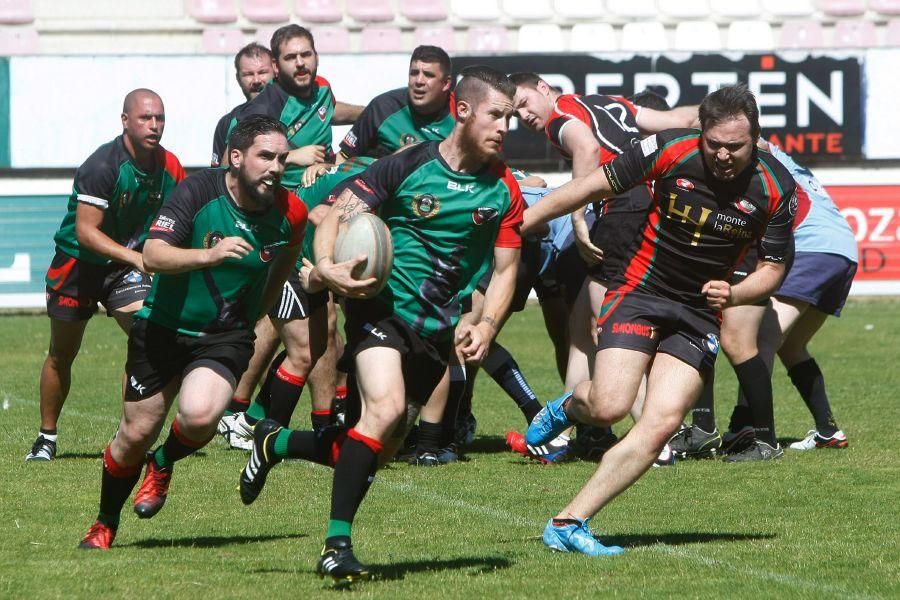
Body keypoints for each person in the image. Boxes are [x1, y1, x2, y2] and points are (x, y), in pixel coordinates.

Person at [238, 66, 524, 583]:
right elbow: (335, 217)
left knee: (374, 447)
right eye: (496, 115)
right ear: (462, 111)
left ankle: (273, 443)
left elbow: (506, 270)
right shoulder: (408, 165)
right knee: (386, 410)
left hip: (434, 328)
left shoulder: (504, 189)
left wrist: (486, 327)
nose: (506, 127)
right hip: (380, 310)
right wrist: (325, 266)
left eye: (510, 117)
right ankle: (336, 546)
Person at [522, 84, 796, 556]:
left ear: (755, 139)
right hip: (641, 291)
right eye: (716, 145)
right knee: (608, 407)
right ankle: (569, 407)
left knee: (662, 422)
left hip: (698, 311)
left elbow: (773, 269)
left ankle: (569, 522)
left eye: (737, 146)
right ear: (701, 133)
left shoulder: (775, 187)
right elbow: (589, 186)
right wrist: (518, 224)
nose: (725, 155)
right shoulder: (670, 148)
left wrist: (736, 291)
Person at [77, 115, 308, 549]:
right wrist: (210, 256)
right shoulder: (198, 191)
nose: (276, 167)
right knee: (134, 436)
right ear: (236, 158)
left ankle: (162, 464)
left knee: (201, 416)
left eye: (282, 158)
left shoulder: (291, 212)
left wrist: (256, 312)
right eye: (265, 156)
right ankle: (105, 521)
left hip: (225, 335)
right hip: (162, 326)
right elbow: (153, 255)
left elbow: (285, 261)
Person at [509, 73, 699, 459]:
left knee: (606, 323)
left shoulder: (560, 116)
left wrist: (579, 218)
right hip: (650, 205)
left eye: (525, 102)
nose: (523, 114)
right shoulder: (608, 103)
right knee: (581, 326)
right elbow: (677, 118)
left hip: (623, 208)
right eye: (515, 112)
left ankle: (654, 438)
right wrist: (717, 112)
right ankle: (563, 431)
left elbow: (588, 151)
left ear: (544, 88)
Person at [26, 89, 185, 462]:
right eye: (146, 118)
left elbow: (183, 215)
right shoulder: (102, 166)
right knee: (61, 355)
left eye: (160, 118)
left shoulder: (171, 166)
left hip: (122, 268)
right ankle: (46, 438)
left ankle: (127, 436)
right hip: (78, 265)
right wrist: (137, 256)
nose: (155, 125)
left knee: (150, 336)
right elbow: (86, 232)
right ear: (125, 121)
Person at [672, 140, 856, 457]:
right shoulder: (786, 160)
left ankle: (744, 426)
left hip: (812, 246)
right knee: (792, 345)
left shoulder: (762, 159)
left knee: (761, 338)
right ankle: (828, 432)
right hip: (842, 251)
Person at [230, 25, 363, 191]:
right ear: (276, 66)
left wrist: (372, 111)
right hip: (289, 193)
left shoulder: (322, 88)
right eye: (291, 57)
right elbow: (231, 166)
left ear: (317, 57)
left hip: (328, 173)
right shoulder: (263, 109)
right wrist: (291, 156)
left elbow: (330, 111)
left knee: (377, 165)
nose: (300, 63)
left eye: (306, 55)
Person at [337, 45, 454, 161]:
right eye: (414, 73)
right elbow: (343, 158)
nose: (419, 81)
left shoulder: (462, 117)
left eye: (428, 75)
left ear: (446, 83)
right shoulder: (382, 107)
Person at [211, 43, 275, 167]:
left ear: (275, 72)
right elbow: (216, 176)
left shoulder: (294, 111)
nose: (256, 80)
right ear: (238, 78)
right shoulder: (227, 122)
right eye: (248, 74)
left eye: (262, 72)